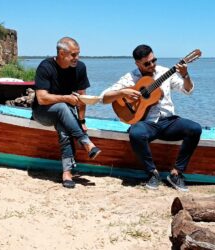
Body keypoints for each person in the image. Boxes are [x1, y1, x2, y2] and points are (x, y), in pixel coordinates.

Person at [101, 44, 202, 192]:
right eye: (147, 63)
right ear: (137, 63)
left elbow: (187, 90)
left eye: (153, 60)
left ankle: (176, 173)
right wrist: (124, 92)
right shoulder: (130, 78)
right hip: (147, 124)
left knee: (195, 129)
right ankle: (152, 173)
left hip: (169, 121)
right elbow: (104, 98)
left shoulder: (165, 72)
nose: (152, 65)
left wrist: (185, 74)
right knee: (135, 133)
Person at [32, 37, 101, 189]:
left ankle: (67, 173)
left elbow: (82, 98)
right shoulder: (45, 66)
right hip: (42, 112)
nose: (77, 58)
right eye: (74, 55)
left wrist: (82, 121)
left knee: (64, 128)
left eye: (78, 54)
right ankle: (85, 142)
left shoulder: (80, 68)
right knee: (63, 107)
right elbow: (41, 98)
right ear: (62, 53)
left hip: (65, 114)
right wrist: (66, 98)